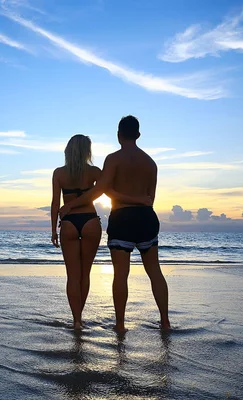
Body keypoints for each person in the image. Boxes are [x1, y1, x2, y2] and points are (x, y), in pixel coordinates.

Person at [60, 116, 170, 332]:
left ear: (119, 135)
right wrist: (138, 200)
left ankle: (120, 324)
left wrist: (71, 206)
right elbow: (150, 198)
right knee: (155, 271)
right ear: (138, 135)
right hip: (147, 218)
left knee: (121, 273)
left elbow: (101, 190)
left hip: (122, 219)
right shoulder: (150, 163)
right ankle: (165, 321)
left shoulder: (113, 159)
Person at [51, 135, 147, 330]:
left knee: (72, 276)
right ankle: (80, 317)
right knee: (85, 274)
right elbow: (108, 190)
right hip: (90, 221)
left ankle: (76, 320)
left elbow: (55, 203)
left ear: (68, 151)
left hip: (68, 223)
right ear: (87, 151)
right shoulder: (94, 171)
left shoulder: (59, 173)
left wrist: (53, 229)